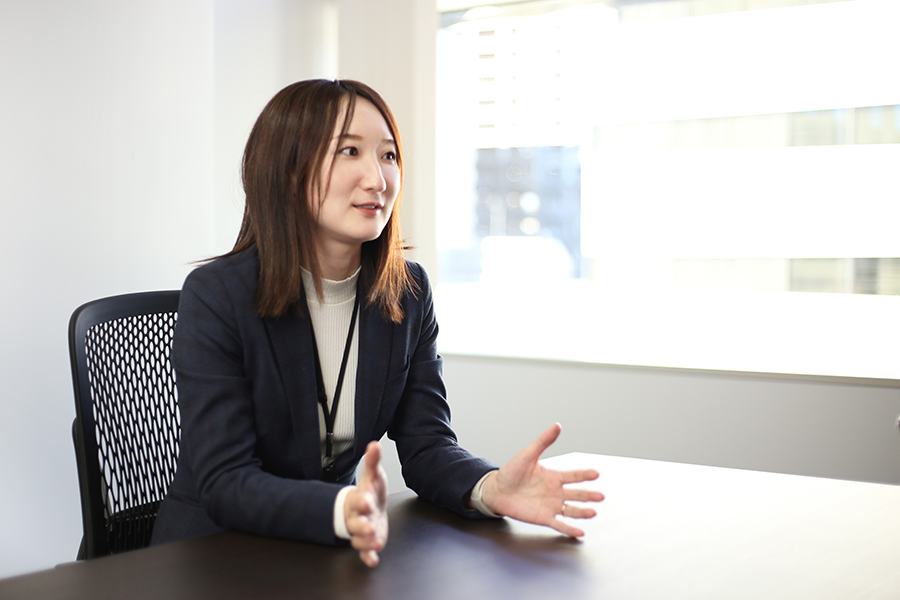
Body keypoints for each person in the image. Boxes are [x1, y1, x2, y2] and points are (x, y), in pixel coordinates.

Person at [151, 79, 604, 567]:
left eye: (388, 155)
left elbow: (427, 445)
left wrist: (489, 488)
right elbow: (225, 480)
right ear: (287, 170)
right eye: (349, 151)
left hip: (330, 557)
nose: (378, 179)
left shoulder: (407, 291)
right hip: (215, 558)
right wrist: (343, 508)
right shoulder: (218, 295)